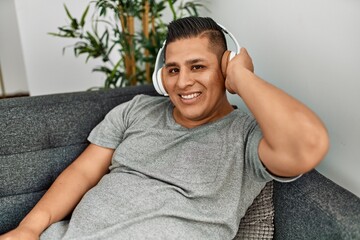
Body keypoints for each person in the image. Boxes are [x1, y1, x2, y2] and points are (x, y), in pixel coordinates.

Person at [0, 16, 329, 240]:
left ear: (224, 69)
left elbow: (309, 143)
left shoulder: (247, 137)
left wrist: (243, 78)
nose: (183, 81)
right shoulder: (136, 110)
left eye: (197, 67)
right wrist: (29, 229)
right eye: (172, 70)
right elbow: (82, 174)